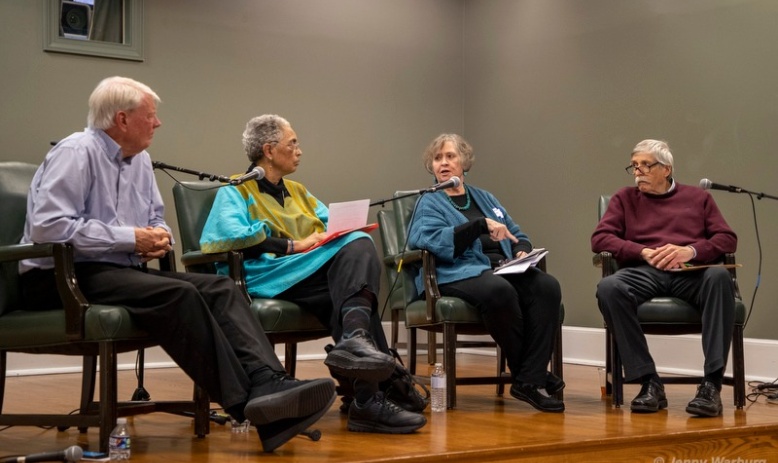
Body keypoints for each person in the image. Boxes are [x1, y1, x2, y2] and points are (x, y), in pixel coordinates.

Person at [18, 76, 337, 453]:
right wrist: (130, 238)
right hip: (59, 276)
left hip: (115, 270)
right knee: (179, 293)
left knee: (220, 288)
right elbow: (49, 227)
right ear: (122, 120)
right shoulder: (76, 152)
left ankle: (270, 382)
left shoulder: (141, 162)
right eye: (150, 116)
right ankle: (248, 405)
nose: (158, 123)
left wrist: (158, 236)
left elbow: (155, 217)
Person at [199, 114, 427, 434]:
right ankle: (365, 382)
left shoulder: (298, 190)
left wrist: (334, 233)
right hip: (268, 275)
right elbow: (223, 238)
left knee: (348, 294)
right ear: (268, 149)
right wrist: (294, 245)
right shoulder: (236, 190)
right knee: (358, 255)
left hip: (306, 273)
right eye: (293, 143)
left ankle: (365, 394)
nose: (299, 150)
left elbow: (331, 223)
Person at [406, 133, 565, 413]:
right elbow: (430, 240)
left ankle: (528, 378)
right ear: (431, 166)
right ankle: (532, 376)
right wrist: (478, 226)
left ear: (464, 162)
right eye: (437, 158)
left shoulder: (485, 198)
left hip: (500, 268)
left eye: (450, 156)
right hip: (454, 272)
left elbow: (516, 233)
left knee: (547, 286)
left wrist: (521, 251)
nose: (443, 163)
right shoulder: (429, 202)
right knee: (497, 290)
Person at [592, 139, 737, 417]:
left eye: (645, 165)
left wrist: (690, 250)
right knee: (609, 287)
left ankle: (711, 386)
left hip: (690, 273)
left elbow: (727, 239)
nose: (638, 172)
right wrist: (642, 251)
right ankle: (649, 382)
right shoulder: (624, 198)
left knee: (719, 277)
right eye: (634, 166)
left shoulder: (699, 198)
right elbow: (600, 238)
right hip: (644, 272)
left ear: (666, 169)